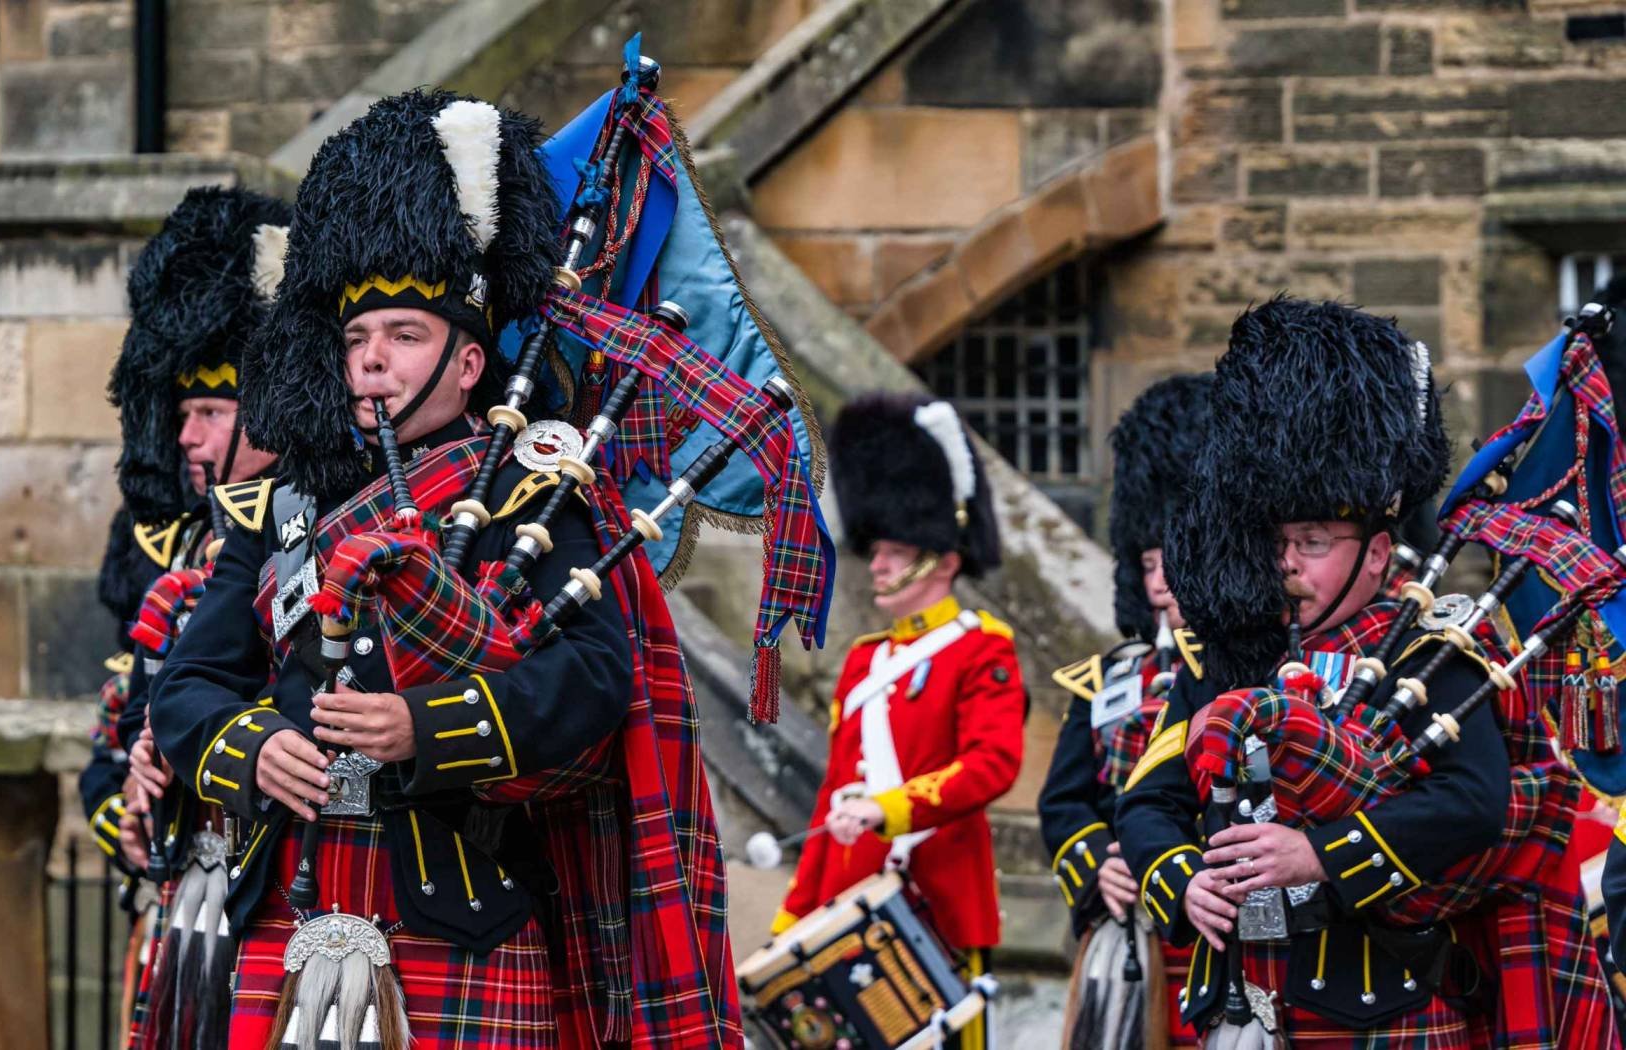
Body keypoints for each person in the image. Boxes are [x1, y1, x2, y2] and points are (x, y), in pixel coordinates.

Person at [149, 88, 741, 1048]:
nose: (374, 361)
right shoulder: (279, 506)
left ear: (469, 365)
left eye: (404, 337)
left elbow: (590, 684)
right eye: (357, 340)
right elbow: (187, 689)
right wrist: (252, 746)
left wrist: (416, 727)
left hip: (461, 924)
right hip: (281, 921)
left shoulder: (529, 495)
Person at [1117, 295, 1616, 1047]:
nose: (1287, 561)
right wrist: (1183, 879)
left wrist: (1315, 853)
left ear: (1377, 554)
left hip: (1395, 1006)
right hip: (1243, 1004)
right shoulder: (1222, 657)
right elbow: (1147, 802)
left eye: (1314, 539)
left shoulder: (1432, 654)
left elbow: (1474, 801)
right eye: (1278, 538)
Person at [75, 186, 289, 1049]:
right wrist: (131, 822)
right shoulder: (166, 567)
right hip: (177, 907)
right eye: (181, 415)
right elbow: (108, 752)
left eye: (210, 412)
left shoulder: (305, 537)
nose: (188, 439)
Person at [771, 392, 1025, 1048]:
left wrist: (893, 808)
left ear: (942, 558)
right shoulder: (862, 663)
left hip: (936, 902)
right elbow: (834, 793)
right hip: (850, 900)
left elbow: (993, 764)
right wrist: (795, 911)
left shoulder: (981, 647)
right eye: (875, 549)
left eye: (892, 550)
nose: (876, 564)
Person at [1037, 373, 1210, 1049]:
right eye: (1147, 561)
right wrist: (1098, 864)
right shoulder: (1109, 679)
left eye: (1173, 558)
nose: (1161, 578)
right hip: (1129, 932)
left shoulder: (1240, 670)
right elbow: (1064, 804)